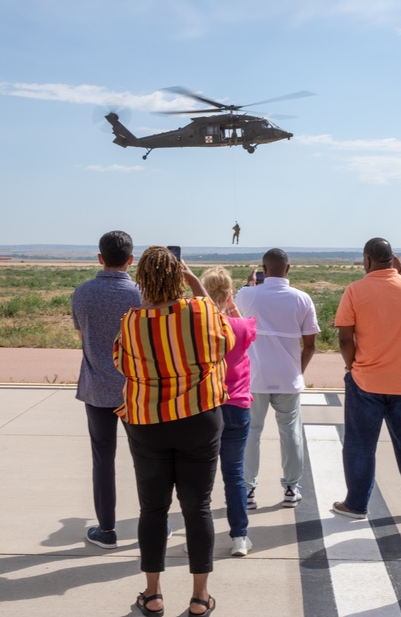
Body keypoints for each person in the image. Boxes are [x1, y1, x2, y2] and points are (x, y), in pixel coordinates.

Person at [114, 247, 235, 617]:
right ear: (178, 276)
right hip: (199, 416)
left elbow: (120, 362)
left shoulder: (131, 321)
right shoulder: (200, 311)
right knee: (197, 507)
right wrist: (196, 283)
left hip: (147, 420)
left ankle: (152, 594)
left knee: (153, 508)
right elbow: (226, 341)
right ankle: (200, 598)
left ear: (142, 280)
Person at [332, 238, 401, 520]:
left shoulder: (355, 290)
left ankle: (356, 504)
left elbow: (344, 338)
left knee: (360, 445)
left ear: (366, 260)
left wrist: (351, 367)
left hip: (367, 379)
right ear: (392, 259)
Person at [71, 230, 141, 549]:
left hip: (97, 388)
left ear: (100, 258)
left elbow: (81, 332)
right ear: (131, 259)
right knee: (147, 459)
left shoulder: (83, 293)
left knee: (103, 459)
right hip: (136, 389)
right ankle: (153, 522)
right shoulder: (141, 295)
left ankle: (106, 528)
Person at [234, 248, 320, 509]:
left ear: (263, 269)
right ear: (289, 268)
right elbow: (310, 344)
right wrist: (297, 370)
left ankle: (248, 490)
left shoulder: (247, 295)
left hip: (254, 378)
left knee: (251, 433)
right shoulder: (302, 299)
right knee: (291, 432)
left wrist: (250, 285)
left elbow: (237, 314)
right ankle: (292, 487)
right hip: (287, 377)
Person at [200, 266, 258, 557]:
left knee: (201, 477)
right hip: (237, 405)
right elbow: (246, 328)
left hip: (207, 406)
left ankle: (200, 537)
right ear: (228, 294)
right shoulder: (241, 326)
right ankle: (239, 537)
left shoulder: (199, 327)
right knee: (234, 474)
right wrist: (231, 305)